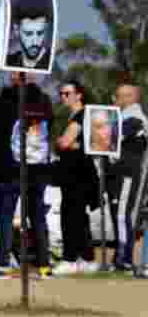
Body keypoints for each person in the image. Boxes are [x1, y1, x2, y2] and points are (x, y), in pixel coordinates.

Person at [0, 72, 54, 276]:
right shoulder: (45, 101)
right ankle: (44, 265)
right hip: (37, 168)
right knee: (38, 216)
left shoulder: (3, 100)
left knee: (5, 216)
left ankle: (3, 262)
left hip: (9, 168)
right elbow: (49, 126)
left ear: (15, 77)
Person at [53, 80, 100, 274]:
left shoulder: (81, 116)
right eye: (61, 94)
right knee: (78, 216)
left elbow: (64, 142)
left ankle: (70, 258)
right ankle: (86, 258)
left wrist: (63, 142)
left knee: (71, 215)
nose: (63, 97)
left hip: (77, 173)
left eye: (67, 93)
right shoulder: (78, 116)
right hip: (76, 172)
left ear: (79, 95)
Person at [105, 84, 147, 271]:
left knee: (122, 215)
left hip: (128, 174)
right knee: (118, 215)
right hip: (118, 174)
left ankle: (124, 258)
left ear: (135, 97)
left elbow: (113, 136)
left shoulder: (135, 118)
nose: (121, 99)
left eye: (126, 96)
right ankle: (121, 257)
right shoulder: (122, 117)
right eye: (119, 95)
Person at [5, 0, 52, 72]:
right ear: (16, 30)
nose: (35, 42)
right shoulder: (8, 61)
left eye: (40, 33)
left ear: (46, 29)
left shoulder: (52, 64)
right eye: (28, 34)